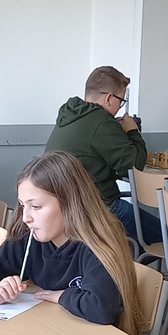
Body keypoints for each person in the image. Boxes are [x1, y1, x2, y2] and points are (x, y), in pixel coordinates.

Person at [0, 151, 144, 335]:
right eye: (22, 205)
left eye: (36, 206)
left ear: (70, 203)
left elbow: (102, 307)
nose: (26, 217)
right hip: (53, 333)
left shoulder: (95, 246)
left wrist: (61, 296)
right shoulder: (29, 240)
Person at [43, 66, 155, 246]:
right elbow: (134, 165)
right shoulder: (101, 121)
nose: (120, 107)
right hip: (97, 210)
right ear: (109, 98)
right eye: (121, 101)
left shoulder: (69, 114)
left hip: (66, 208)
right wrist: (132, 131)